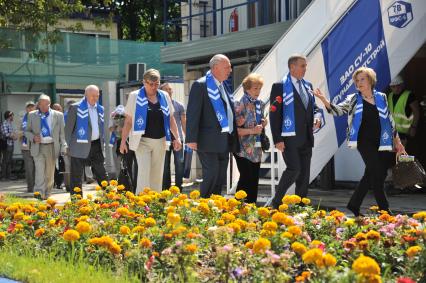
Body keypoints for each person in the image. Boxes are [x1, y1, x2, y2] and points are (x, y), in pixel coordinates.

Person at [314, 67, 405, 216]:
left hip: (382, 141)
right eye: (357, 80)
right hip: (364, 142)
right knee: (377, 171)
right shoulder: (354, 99)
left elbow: (390, 121)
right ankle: (385, 210)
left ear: (370, 80)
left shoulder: (381, 97)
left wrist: (398, 142)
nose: (359, 82)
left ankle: (354, 205)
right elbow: (337, 111)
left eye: (362, 79)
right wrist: (325, 101)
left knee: (373, 175)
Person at [269, 54, 322, 209]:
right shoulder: (279, 86)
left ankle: (300, 206)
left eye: (305, 65)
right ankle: (276, 202)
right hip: (288, 137)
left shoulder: (308, 85)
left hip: (306, 137)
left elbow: (314, 108)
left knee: (304, 174)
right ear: (292, 67)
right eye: (303, 65)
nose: (305, 68)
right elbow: (274, 114)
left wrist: (317, 116)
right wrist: (277, 138)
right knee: (294, 169)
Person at [120, 69, 182, 193]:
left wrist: (177, 138)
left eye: (157, 84)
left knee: (157, 176)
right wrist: (123, 142)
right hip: (142, 141)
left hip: (161, 140)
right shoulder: (135, 96)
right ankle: (141, 206)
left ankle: (154, 204)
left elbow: (170, 119)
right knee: (143, 174)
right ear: (144, 82)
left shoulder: (164, 96)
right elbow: (128, 121)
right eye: (151, 84)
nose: (154, 87)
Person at [186, 54, 240, 198]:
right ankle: (203, 203)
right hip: (207, 140)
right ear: (215, 67)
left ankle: (215, 204)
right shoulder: (200, 85)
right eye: (227, 67)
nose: (230, 70)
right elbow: (193, 113)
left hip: (224, 139)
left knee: (221, 174)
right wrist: (191, 138)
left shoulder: (224, 86)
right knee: (212, 172)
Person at [65, 85, 108, 196]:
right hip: (78, 146)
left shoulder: (100, 108)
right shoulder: (75, 108)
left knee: (101, 172)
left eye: (97, 96)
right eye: (93, 96)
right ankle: (76, 202)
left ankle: (110, 197)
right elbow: (68, 129)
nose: (95, 98)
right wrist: (66, 145)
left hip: (96, 145)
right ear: (86, 95)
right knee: (76, 176)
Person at [25, 94, 67, 199]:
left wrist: (64, 146)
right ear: (38, 104)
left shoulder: (58, 115)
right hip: (38, 146)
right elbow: (26, 131)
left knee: (49, 172)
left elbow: (62, 133)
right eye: (41, 104)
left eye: (46, 104)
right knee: (39, 171)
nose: (44, 106)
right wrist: (33, 137)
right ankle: (39, 193)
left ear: (50, 104)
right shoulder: (32, 115)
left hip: (52, 146)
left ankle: (47, 193)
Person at [233, 73, 267, 204]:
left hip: (256, 148)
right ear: (247, 88)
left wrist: (264, 123)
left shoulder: (260, 104)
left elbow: (259, 122)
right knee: (246, 177)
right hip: (242, 148)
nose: (258, 92)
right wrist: (252, 130)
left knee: (254, 179)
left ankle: (251, 207)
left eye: (259, 88)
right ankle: (237, 207)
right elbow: (235, 131)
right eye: (255, 88)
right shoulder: (238, 104)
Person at [161, 82, 186, 190]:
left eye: (170, 89)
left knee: (179, 164)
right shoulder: (159, 105)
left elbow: (184, 123)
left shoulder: (179, 105)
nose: (169, 91)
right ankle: (166, 188)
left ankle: (178, 187)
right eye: (166, 89)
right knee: (165, 165)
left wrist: (188, 138)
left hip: (178, 139)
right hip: (164, 139)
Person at [388, 75, 420, 147]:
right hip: (395, 131)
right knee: (399, 155)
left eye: (398, 85)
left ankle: (415, 159)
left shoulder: (409, 95)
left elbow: (416, 112)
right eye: (393, 86)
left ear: (402, 84)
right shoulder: (390, 95)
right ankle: (414, 159)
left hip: (407, 131)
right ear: (390, 87)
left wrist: (413, 127)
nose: (396, 88)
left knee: (403, 155)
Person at [21, 101, 36, 192]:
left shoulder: (38, 117)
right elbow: (17, 133)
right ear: (26, 109)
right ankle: (30, 187)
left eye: (32, 107)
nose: (30, 109)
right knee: (29, 168)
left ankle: (37, 186)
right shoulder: (22, 119)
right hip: (26, 147)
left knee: (37, 168)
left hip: (37, 145)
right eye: (28, 107)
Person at [1, 110, 17, 180]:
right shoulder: (4, 123)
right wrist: (13, 136)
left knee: (9, 160)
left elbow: (12, 133)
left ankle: (8, 176)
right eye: (12, 115)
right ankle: (4, 176)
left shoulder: (10, 123)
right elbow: (5, 134)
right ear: (9, 116)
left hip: (11, 144)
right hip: (7, 145)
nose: (13, 116)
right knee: (5, 160)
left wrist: (15, 136)